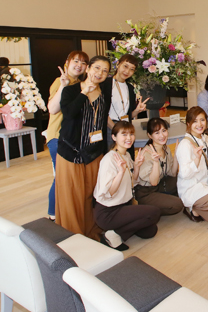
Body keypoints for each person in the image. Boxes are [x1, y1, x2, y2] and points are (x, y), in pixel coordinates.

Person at [55, 56, 112, 240]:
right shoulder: (71, 90)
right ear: (88, 69)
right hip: (71, 152)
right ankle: (73, 235)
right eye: (97, 68)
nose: (100, 73)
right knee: (73, 196)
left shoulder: (105, 92)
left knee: (91, 194)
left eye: (105, 71)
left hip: (94, 152)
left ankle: (91, 229)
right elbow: (69, 114)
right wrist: (84, 93)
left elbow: (102, 120)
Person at [93, 121, 161, 250]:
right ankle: (113, 235)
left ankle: (119, 231)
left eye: (131, 134)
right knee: (155, 212)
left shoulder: (126, 155)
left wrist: (136, 167)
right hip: (108, 212)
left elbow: (132, 182)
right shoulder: (109, 159)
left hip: (124, 205)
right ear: (114, 137)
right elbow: (108, 193)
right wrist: (120, 173)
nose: (129, 138)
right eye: (124, 134)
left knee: (150, 231)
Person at [46, 51, 89, 221]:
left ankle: (67, 211)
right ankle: (52, 214)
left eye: (83, 63)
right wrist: (63, 85)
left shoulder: (80, 84)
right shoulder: (61, 81)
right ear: (67, 63)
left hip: (71, 137)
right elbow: (52, 109)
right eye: (76, 61)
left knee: (70, 177)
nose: (79, 65)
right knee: (61, 177)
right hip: (58, 136)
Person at [134, 118, 184, 216]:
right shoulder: (146, 154)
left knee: (185, 180)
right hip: (146, 192)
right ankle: (147, 209)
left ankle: (164, 199)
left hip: (160, 185)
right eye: (157, 133)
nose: (162, 135)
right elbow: (153, 182)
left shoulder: (165, 148)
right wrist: (156, 162)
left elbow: (172, 174)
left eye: (164, 131)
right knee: (178, 204)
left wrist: (176, 156)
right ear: (150, 135)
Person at [104, 54, 149, 152]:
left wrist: (137, 110)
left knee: (126, 157)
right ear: (118, 64)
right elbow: (101, 112)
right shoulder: (105, 84)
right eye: (125, 66)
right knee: (112, 157)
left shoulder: (130, 88)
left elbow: (129, 115)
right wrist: (116, 129)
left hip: (125, 127)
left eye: (132, 69)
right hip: (109, 128)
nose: (127, 71)